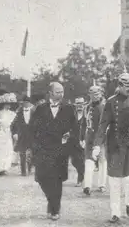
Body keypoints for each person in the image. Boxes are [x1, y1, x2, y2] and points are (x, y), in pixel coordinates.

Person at [92, 73, 129, 224]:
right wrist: (97, 145)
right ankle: (115, 212)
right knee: (114, 180)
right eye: (126, 86)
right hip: (115, 145)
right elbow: (103, 125)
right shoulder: (110, 102)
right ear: (120, 86)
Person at [31, 82, 79, 221]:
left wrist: (70, 135)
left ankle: (54, 209)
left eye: (62, 91)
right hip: (43, 149)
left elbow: (75, 128)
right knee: (41, 177)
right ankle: (52, 202)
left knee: (57, 180)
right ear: (50, 93)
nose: (61, 94)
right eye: (58, 92)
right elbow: (33, 129)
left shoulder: (69, 108)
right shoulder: (40, 108)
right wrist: (34, 147)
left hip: (61, 149)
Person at [82, 85, 107, 196]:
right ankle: (87, 186)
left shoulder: (104, 107)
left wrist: (98, 143)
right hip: (89, 138)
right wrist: (81, 138)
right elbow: (84, 124)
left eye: (96, 93)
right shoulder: (86, 107)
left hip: (103, 138)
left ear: (101, 93)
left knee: (102, 161)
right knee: (88, 161)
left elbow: (103, 126)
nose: (94, 96)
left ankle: (102, 184)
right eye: (92, 94)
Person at [11, 96, 35, 176]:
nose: (26, 104)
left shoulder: (34, 112)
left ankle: (29, 167)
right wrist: (15, 133)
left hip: (32, 136)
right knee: (22, 153)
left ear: (30, 103)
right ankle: (23, 171)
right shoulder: (19, 112)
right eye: (24, 103)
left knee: (31, 153)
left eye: (27, 103)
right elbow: (13, 124)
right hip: (22, 136)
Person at [67, 96, 86, 186]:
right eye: (78, 104)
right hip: (72, 141)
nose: (80, 106)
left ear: (84, 105)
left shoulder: (87, 115)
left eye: (81, 104)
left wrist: (86, 140)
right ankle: (82, 176)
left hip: (83, 141)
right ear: (75, 105)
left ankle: (80, 179)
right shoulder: (72, 115)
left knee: (81, 160)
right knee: (74, 161)